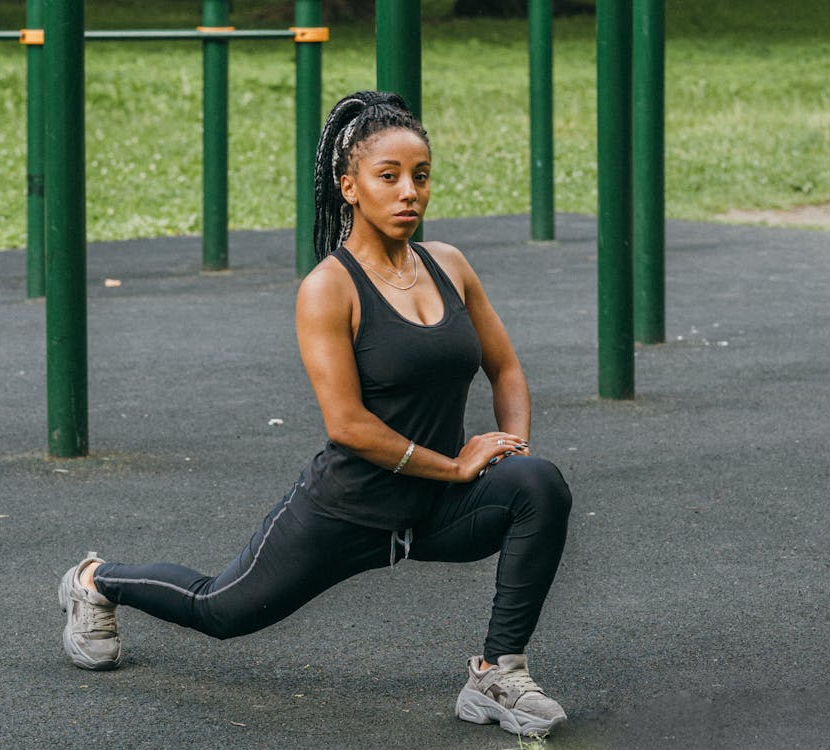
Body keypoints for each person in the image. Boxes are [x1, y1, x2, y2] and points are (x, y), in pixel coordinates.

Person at [58, 90, 573, 737]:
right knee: (222, 609)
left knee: (537, 483)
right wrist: (454, 465)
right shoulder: (328, 288)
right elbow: (347, 425)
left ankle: (497, 674)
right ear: (349, 185)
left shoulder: (449, 266)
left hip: (436, 510)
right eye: (388, 177)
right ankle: (95, 580)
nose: (408, 191)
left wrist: (507, 448)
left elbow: (505, 367)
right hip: (348, 511)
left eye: (420, 176)